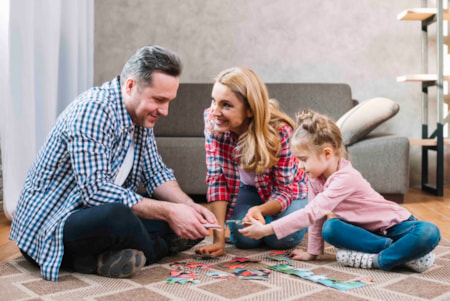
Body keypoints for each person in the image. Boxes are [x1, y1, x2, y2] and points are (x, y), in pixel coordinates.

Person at [9, 45, 217, 282]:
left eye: (169, 101)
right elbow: (95, 192)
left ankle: (107, 258)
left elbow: (155, 173)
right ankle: (150, 249)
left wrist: (188, 206)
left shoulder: (140, 117)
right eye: (159, 100)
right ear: (130, 86)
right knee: (120, 216)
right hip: (53, 225)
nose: (165, 111)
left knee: (190, 222)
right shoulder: (93, 110)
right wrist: (170, 212)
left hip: (92, 218)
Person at [239, 109, 441, 272]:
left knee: (430, 232)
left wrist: (266, 230)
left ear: (327, 153)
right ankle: (402, 254)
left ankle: (378, 261)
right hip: (369, 234)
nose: (299, 166)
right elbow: (317, 218)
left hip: (399, 226)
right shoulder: (314, 179)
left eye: (303, 159)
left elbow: (310, 213)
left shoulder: (346, 178)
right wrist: (313, 252)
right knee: (331, 228)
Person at [195, 67, 308, 257]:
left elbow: (285, 189)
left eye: (226, 105)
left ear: (250, 109)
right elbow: (217, 180)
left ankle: (307, 212)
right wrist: (219, 240)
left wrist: (260, 210)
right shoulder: (213, 123)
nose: (215, 111)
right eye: (214, 101)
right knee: (244, 238)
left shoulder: (281, 132)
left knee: (279, 239)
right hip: (249, 189)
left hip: (291, 191)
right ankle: (272, 219)